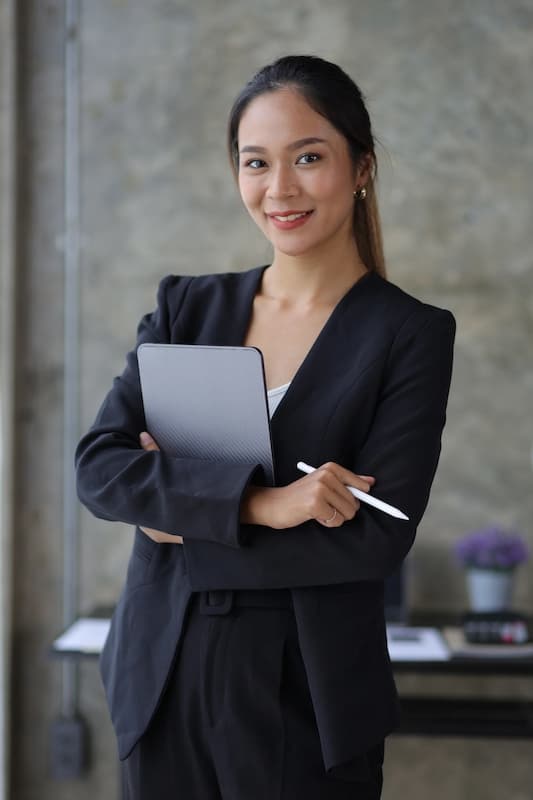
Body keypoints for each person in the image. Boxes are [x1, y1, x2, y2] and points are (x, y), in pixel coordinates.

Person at [75, 55, 455, 800]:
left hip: (306, 695)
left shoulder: (407, 333)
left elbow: (377, 535)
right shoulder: (188, 309)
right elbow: (100, 468)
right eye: (256, 163)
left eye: (307, 157)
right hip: (162, 675)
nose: (278, 188)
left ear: (360, 168)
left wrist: (178, 512)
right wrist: (263, 505)